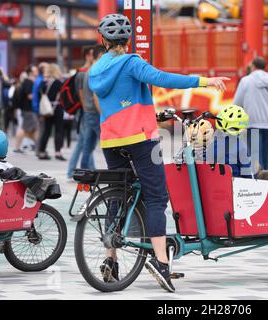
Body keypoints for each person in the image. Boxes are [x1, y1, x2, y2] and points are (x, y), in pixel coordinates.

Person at [89, 13, 228, 292]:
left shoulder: (95, 70)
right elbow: (162, 78)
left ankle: (110, 260)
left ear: (102, 40)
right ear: (126, 41)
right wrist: (204, 81)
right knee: (157, 197)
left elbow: (119, 102)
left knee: (119, 194)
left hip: (110, 140)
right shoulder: (131, 63)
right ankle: (161, 261)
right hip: (140, 138)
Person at [233, 56, 268, 170]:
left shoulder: (246, 81)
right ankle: (266, 177)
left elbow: (237, 103)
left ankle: (258, 179)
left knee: (255, 155)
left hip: (252, 122)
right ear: (265, 67)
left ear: (253, 66)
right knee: (266, 152)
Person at [67, 47, 95, 179]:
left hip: (86, 111)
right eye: (90, 55)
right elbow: (81, 93)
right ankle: (76, 170)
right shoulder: (82, 72)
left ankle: (77, 170)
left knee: (84, 142)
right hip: (85, 111)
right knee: (85, 142)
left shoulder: (87, 71)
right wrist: (86, 109)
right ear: (87, 56)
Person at [80, 45, 105, 170]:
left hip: (88, 111)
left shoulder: (89, 70)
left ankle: (84, 168)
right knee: (106, 141)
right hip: (95, 112)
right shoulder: (96, 71)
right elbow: (96, 96)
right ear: (99, 56)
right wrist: (103, 114)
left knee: (88, 144)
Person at [38, 64, 65, 161]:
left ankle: (41, 152)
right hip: (57, 107)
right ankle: (58, 152)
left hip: (46, 109)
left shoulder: (43, 83)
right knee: (59, 130)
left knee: (46, 130)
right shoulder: (58, 82)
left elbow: (39, 95)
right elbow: (63, 95)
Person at [14, 65, 39, 153]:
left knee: (33, 129)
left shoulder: (30, 81)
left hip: (29, 110)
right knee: (24, 129)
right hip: (28, 110)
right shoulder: (28, 82)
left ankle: (39, 146)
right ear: (31, 72)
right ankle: (17, 147)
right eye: (36, 70)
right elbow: (29, 96)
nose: (37, 72)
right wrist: (38, 97)